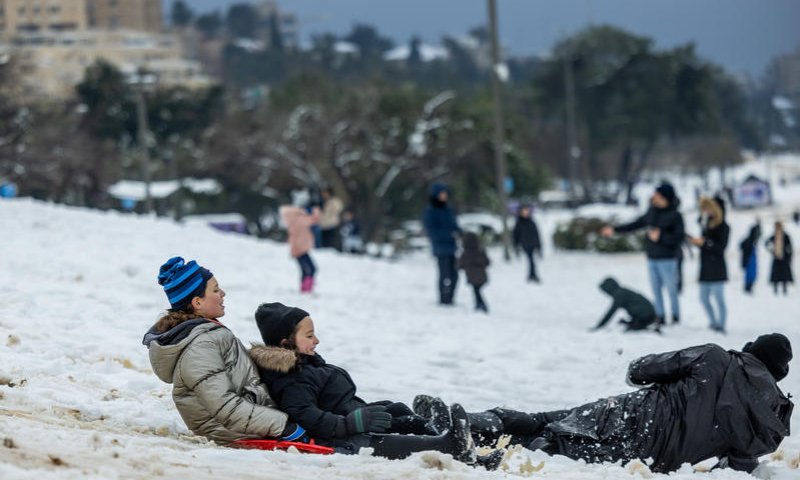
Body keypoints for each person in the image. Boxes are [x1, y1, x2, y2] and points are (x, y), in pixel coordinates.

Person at [416, 333, 793, 474]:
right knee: (558, 436)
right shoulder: (772, 425)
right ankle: (465, 432)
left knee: (548, 425)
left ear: (751, 351)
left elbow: (640, 370)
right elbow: (734, 468)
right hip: (655, 461)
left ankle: (467, 430)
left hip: (630, 416)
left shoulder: (715, 357)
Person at [248, 302, 485, 465]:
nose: (317, 340)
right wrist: (349, 423)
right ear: (286, 343)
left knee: (397, 410)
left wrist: (365, 412)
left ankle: (439, 433)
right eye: (309, 336)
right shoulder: (290, 377)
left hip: (348, 418)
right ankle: (449, 446)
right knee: (375, 442)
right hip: (340, 436)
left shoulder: (305, 363)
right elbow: (305, 415)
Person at [142, 257, 305, 446]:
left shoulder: (205, 334)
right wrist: (285, 427)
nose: (223, 293)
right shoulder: (200, 347)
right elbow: (224, 406)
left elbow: (237, 372)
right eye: (215, 290)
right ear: (197, 303)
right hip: (236, 429)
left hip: (252, 417)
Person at [602, 182, 684, 325]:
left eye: (657, 194)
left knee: (672, 290)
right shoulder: (652, 211)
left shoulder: (675, 215)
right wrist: (615, 230)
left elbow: (679, 238)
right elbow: (636, 224)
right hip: (652, 258)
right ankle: (660, 316)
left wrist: (661, 237)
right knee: (656, 290)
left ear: (664, 197)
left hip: (668, 259)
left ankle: (675, 317)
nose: (654, 196)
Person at [687, 196, 730, 333]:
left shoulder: (724, 226)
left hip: (717, 268)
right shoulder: (705, 224)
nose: (705, 211)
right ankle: (713, 322)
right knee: (703, 298)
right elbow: (705, 245)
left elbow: (721, 248)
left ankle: (721, 325)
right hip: (705, 267)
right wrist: (697, 242)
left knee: (719, 299)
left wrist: (705, 243)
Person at [423, 183, 461, 305]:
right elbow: (431, 231)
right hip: (440, 248)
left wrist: (459, 232)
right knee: (444, 275)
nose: (444, 196)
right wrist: (449, 234)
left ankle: (450, 298)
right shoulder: (430, 211)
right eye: (442, 194)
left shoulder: (448, 209)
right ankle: (444, 299)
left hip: (452, 247)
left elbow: (454, 225)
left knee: (454, 275)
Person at [280, 203, 320, 293]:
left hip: (297, 248)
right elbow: (314, 220)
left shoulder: (292, 217)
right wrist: (316, 210)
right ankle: (306, 289)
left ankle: (304, 288)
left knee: (305, 269)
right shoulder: (300, 217)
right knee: (312, 268)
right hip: (300, 248)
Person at [591, 277, 657, 332]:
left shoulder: (619, 294)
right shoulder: (622, 291)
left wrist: (600, 325)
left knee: (632, 328)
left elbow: (611, 312)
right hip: (649, 315)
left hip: (646, 317)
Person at [458, 232, 490, 313]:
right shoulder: (480, 251)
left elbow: (460, 265)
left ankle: (480, 304)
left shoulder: (465, 253)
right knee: (477, 291)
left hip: (472, 277)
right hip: (482, 277)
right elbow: (487, 262)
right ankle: (479, 304)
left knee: (476, 291)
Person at [512, 205, 542, 283]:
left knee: (531, 260)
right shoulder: (519, 223)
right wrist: (516, 246)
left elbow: (536, 234)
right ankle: (532, 275)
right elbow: (515, 235)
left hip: (532, 244)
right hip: (525, 245)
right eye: (524, 211)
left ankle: (531, 275)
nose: (525, 213)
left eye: (527, 211)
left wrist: (538, 246)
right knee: (531, 260)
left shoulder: (531, 222)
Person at [765, 221, 794, 295]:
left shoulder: (785, 236)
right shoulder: (774, 236)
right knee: (776, 274)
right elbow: (766, 243)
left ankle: (784, 289)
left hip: (784, 258)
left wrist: (789, 255)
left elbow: (790, 247)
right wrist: (772, 250)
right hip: (776, 257)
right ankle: (775, 289)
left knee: (784, 274)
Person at [739, 221, 761, 294]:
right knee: (750, 274)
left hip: (750, 260)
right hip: (749, 260)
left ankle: (749, 286)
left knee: (752, 274)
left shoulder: (752, 241)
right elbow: (741, 246)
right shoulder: (749, 240)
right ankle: (747, 287)